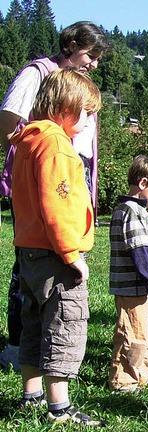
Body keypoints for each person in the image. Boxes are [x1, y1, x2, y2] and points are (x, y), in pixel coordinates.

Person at [0, 21, 109, 371]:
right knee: (55, 307)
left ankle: (29, 379)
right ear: (71, 45)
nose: (93, 63)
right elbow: (8, 116)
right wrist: (70, 252)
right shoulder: (38, 75)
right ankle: (54, 394)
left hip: (56, 186)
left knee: (34, 292)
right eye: (90, 55)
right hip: (49, 201)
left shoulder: (49, 127)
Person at [11, 69, 104, 425]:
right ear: (64, 107)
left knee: (33, 323)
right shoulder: (56, 146)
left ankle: (31, 395)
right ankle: (59, 408)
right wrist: (71, 254)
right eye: (85, 112)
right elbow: (58, 204)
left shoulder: (28, 141)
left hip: (29, 252)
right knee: (65, 323)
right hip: (55, 255)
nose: (87, 121)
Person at [108, 155, 148, 392]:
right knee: (132, 334)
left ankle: (142, 373)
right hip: (134, 287)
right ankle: (123, 379)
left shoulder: (138, 210)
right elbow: (139, 252)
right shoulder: (130, 211)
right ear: (143, 183)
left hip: (145, 288)